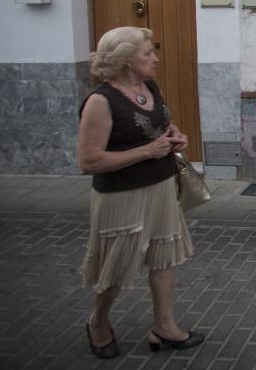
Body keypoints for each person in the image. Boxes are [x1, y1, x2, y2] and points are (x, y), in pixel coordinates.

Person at [77, 26, 205, 359]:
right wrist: (147, 152)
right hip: (121, 196)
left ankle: (164, 326)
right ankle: (98, 321)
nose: (155, 58)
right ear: (125, 59)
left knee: (165, 259)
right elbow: (89, 161)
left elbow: (158, 124)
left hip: (161, 187)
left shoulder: (148, 86)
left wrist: (174, 134)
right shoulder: (100, 101)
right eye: (147, 52)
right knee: (117, 267)